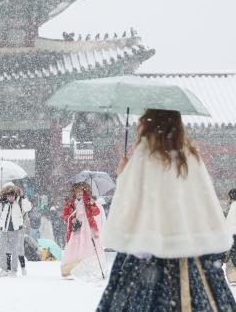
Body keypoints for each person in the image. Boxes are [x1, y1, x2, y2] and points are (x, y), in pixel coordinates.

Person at [97, 109, 236, 311]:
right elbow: (204, 202)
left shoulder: (144, 157)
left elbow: (130, 205)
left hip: (145, 253)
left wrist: (123, 175)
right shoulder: (190, 156)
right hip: (190, 255)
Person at [60, 182, 104, 278]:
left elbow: (96, 212)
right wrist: (72, 219)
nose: (80, 193)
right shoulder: (70, 203)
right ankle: (71, 269)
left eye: (81, 191)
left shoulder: (88, 201)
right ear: (74, 192)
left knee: (89, 247)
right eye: (78, 191)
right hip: (76, 228)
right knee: (74, 247)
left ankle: (90, 269)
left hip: (88, 228)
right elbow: (64, 215)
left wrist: (92, 204)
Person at [0, 184, 32, 277]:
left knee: (15, 250)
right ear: (6, 195)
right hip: (4, 229)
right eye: (9, 195)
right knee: (2, 250)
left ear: (15, 195)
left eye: (12, 195)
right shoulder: (2, 203)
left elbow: (28, 208)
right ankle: (4, 269)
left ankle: (14, 270)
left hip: (16, 230)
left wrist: (23, 197)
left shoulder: (19, 202)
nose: (11, 197)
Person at [225, 188, 236, 285]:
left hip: (233, 235)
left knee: (233, 256)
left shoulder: (234, 206)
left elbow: (229, 223)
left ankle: (234, 277)